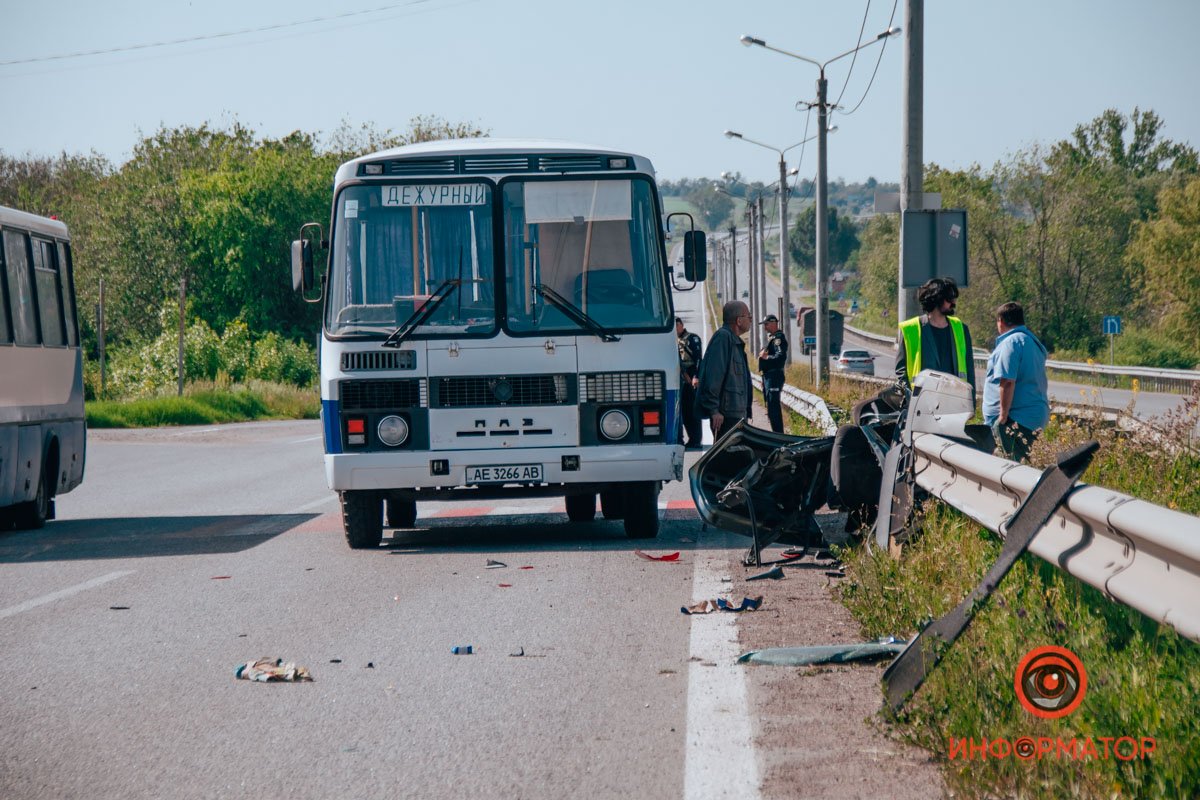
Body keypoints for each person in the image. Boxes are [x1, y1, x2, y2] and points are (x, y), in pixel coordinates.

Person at [982, 302, 1049, 462]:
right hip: (1031, 416)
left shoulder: (1010, 343)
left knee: (1013, 467)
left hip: (1015, 419)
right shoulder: (1032, 342)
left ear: (1001, 321)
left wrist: (1002, 417)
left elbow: (1007, 382)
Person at [894, 277, 976, 403]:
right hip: (921, 404)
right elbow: (901, 371)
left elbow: (969, 370)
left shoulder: (961, 329)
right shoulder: (911, 329)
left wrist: (971, 403)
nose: (953, 303)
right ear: (937, 299)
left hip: (954, 402)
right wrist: (909, 400)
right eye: (949, 299)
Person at [697, 301, 752, 440]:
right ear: (739, 320)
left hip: (736, 414)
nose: (751, 320)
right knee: (726, 458)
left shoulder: (734, 341)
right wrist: (714, 410)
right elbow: (713, 376)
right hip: (726, 416)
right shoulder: (723, 338)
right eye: (748, 316)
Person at [675, 316, 704, 449]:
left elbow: (698, 359)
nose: (675, 329)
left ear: (681, 325)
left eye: (676, 326)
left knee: (693, 410)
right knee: (684, 411)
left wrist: (695, 376)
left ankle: (696, 439)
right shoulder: (673, 340)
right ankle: (687, 438)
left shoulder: (692, 338)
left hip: (692, 376)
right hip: (680, 377)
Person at [757, 314, 788, 433]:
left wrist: (766, 357)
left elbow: (780, 357)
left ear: (774, 323)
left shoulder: (778, 339)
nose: (765, 327)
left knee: (773, 407)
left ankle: (778, 435)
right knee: (770, 407)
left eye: (766, 324)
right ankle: (776, 433)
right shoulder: (773, 338)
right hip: (769, 377)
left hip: (774, 376)